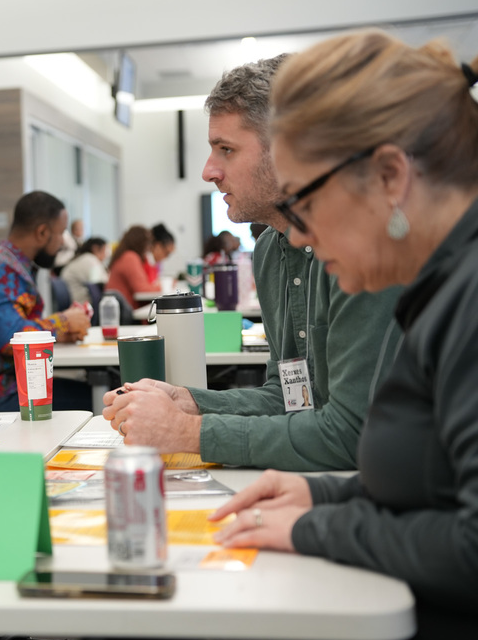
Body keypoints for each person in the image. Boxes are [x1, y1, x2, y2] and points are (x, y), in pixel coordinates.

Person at [211, 30, 478, 640]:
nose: (298, 237)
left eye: (304, 202)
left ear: (390, 176)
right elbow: (434, 484)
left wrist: (316, 526)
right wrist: (325, 495)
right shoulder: (444, 286)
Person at [102, 53, 403, 471]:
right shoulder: (269, 251)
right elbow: (289, 396)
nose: (209, 171)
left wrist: (187, 433)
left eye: (226, 149)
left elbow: (353, 434)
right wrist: (189, 402)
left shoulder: (366, 246)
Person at [0, 191, 91, 412]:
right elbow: (10, 338)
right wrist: (64, 321)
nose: (63, 243)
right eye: (61, 233)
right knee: (96, 398)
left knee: (93, 392)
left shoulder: (9, 265)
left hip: (12, 384)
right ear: (42, 232)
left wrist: (60, 331)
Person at [105, 225, 159, 308]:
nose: (149, 247)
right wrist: (161, 287)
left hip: (120, 306)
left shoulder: (123, 255)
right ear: (140, 242)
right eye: (147, 243)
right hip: (126, 309)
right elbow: (142, 289)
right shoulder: (130, 257)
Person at [60, 237, 109, 303]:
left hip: (76, 301)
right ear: (95, 248)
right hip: (81, 303)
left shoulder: (83, 259)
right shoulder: (90, 259)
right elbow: (100, 282)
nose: (106, 255)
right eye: (105, 250)